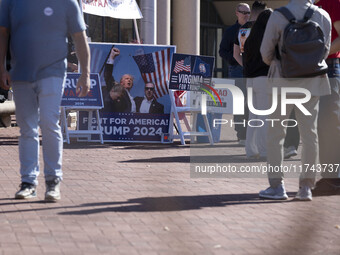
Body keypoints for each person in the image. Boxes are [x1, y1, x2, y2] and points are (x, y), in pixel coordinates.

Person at [0, 0, 91, 201]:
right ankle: (28, 182)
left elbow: (79, 36)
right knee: (27, 129)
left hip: (53, 71)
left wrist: (85, 74)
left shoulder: (67, 3)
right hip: (21, 72)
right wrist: (2, 68)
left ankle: (53, 181)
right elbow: (3, 32)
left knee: (49, 123)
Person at [259, 0, 331, 201]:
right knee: (310, 134)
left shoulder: (278, 15)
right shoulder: (323, 16)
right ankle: (306, 187)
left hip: (283, 80)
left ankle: (277, 186)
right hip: (312, 82)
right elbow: (324, 51)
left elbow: (265, 53)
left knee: (276, 134)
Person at [313, 0, 340, 195]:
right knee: (320, 125)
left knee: (328, 123)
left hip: (329, 66)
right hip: (314, 68)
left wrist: (319, 54)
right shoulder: (314, 5)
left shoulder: (332, 2)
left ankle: (333, 180)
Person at [242, 8, 272, 159]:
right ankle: (265, 150)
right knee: (264, 117)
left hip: (250, 80)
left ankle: (251, 150)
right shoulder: (269, 40)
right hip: (264, 79)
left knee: (253, 117)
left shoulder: (250, 39)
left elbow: (244, 60)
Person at [219, 3, 250, 145]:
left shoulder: (254, 29)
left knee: (251, 103)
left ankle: (250, 132)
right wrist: (235, 58)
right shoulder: (231, 31)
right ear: (236, 13)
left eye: (248, 12)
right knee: (240, 103)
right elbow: (222, 51)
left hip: (252, 70)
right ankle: (241, 134)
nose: (246, 15)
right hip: (236, 70)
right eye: (243, 12)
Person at [104, 47, 136, 113]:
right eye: (127, 79)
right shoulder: (117, 88)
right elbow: (108, 76)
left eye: (131, 79)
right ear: (121, 82)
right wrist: (112, 57)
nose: (129, 80)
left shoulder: (134, 98)